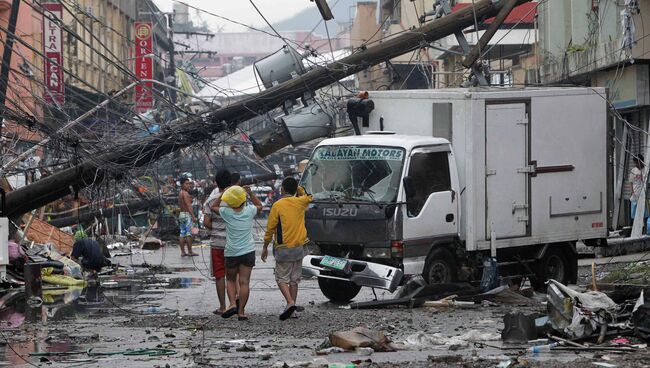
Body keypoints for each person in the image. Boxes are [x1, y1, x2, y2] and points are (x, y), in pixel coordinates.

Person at [262, 177, 313, 321]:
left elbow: (270, 228)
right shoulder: (301, 202)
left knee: (281, 278)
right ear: (295, 189)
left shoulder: (278, 205)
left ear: (282, 189)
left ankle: (290, 303)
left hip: (283, 248)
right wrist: (299, 188)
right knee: (294, 280)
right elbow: (309, 196)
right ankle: (292, 308)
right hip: (299, 247)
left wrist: (265, 247)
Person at [212, 185, 263, 320]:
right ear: (243, 200)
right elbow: (259, 205)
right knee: (244, 282)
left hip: (231, 252)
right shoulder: (249, 210)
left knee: (230, 280)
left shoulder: (226, 212)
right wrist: (250, 193)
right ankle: (241, 312)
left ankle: (233, 304)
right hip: (248, 251)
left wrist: (223, 194)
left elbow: (213, 207)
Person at [203, 169, 231, 315]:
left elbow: (206, 222)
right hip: (234, 242)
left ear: (216, 183)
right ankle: (236, 304)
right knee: (234, 275)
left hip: (217, 243)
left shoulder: (211, 200)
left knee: (220, 275)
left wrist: (217, 228)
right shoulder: (235, 199)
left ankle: (222, 306)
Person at [178, 178, 198, 256]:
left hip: (181, 214)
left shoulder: (180, 193)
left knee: (182, 233)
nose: (188, 185)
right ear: (182, 185)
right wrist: (193, 216)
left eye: (189, 183)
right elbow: (189, 205)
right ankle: (190, 251)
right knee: (189, 234)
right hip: (186, 215)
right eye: (186, 184)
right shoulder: (185, 194)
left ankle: (183, 252)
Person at [630, 154, 648, 224]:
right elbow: (631, 182)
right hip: (635, 195)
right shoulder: (633, 170)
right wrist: (632, 192)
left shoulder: (645, 170)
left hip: (643, 195)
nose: (636, 164)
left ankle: (645, 229)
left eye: (637, 162)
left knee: (645, 213)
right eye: (635, 162)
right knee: (634, 214)